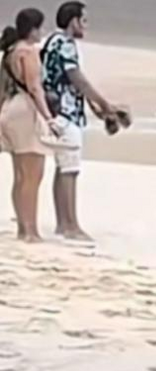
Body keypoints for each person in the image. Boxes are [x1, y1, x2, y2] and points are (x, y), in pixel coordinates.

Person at [41, 1, 118, 241]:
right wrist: (105, 104)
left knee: (62, 167)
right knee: (70, 170)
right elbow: (77, 80)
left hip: (56, 111)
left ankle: (62, 222)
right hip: (66, 113)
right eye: (83, 20)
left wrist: (94, 106)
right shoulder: (66, 44)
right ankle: (70, 225)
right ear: (73, 21)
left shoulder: (51, 41)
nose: (85, 26)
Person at [0, 8, 62, 243]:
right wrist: (49, 117)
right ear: (33, 29)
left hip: (10, 109)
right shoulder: (29, 51)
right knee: (33, 175)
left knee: (20, 174)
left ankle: (22, 228)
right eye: (40, 27)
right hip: (26, 110)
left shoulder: (11, 51)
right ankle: (31, 230)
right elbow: (35, 87)